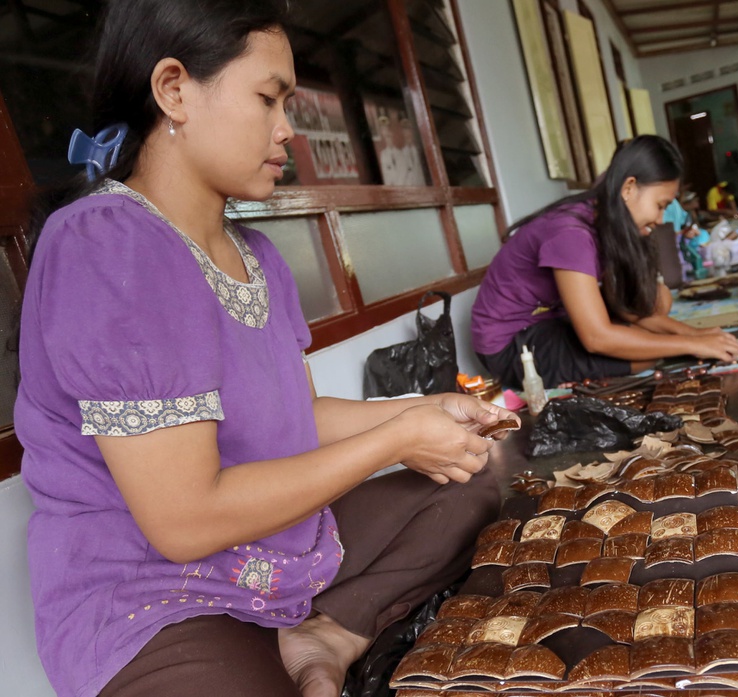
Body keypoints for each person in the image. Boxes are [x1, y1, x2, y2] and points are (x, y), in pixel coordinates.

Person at [16, 2, 515, 696]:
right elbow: (184, 522)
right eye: (267, 98)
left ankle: (325, 636)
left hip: (272, 548)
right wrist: (396, 437)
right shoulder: (106, 247)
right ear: (174, 91)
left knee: (480, 472)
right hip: (158, 592)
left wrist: (428, 409)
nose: (287, 130)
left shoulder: (256, 255)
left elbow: (295, 416)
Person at [470, 135, 738, 388]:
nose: (660, 220)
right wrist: (690, 345)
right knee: (642, 355)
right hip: (508, 345)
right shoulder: (572, 233)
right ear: (629, 188)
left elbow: (626, 309)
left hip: (546, 323)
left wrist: (695, 335)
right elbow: (596, 337)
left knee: (641, 337)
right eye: (660, 205)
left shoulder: (604, 222)